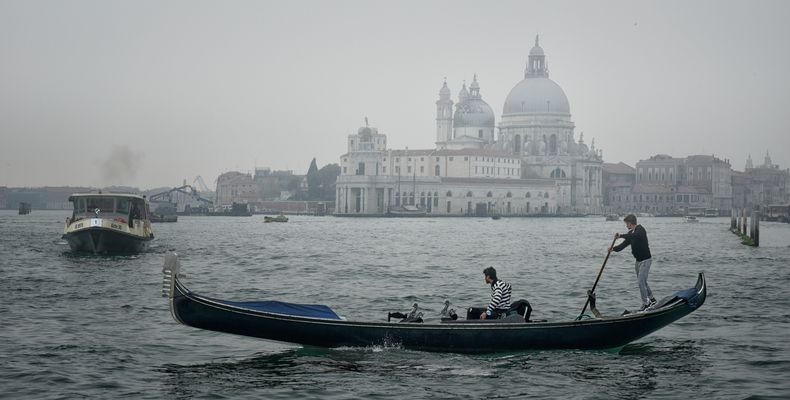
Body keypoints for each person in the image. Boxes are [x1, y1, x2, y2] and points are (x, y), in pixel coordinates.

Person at [609, 214, 656, 311]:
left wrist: (621, 235)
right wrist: (613, 249)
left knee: (641, 281)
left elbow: (635, 235)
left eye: (627, 223)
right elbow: (623, 245)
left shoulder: (640, 230)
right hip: (638, 261)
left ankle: (645, 303)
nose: (626, 225)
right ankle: (652, 299)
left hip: (646, 260)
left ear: (630, 223)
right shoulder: (630, 233)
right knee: (643, 281)